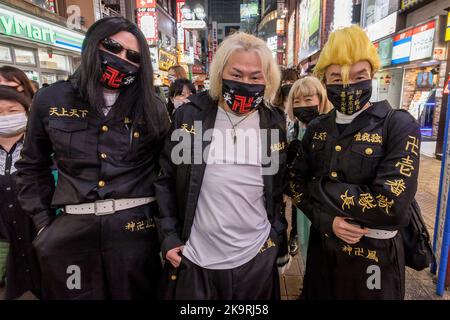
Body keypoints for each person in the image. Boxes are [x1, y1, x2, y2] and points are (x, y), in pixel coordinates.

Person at [15, 17, 170, 300]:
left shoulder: (153, 108)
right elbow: (31, 167)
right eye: (112, 47)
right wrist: (44, 226)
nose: (121, 58)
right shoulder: (51, 100)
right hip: (70, 234)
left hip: (136, 233)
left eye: (133, 56)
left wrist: (166, 231)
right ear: (93, 45)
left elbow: (167, 173)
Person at [287, 25, 420, 300]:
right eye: (337, 77)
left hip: (375, 256)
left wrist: (320, 187)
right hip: (323, 249)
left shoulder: (399, 125)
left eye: (359, 76)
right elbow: (294, 182)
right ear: (325, 80)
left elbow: (391, 205)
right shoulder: (317, 128)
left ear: (372, 75)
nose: (347, 85)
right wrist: (325, 220)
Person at [155, 32, 287, 300]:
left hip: (256, 258)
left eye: (255, 77)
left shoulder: (274, 122)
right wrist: (168, 237)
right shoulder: (190, 116)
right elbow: (166, 179)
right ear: (220, 73)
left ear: (268, 80)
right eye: (236, 74)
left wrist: (276, 239)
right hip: (195, 259)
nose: (245, 83)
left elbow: (276, 189)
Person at [285, 76, 331, 267]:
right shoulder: (293, 130)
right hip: (303, 202)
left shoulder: (331, 128)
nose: (302, 105)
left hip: (325, 204)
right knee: (306, 242)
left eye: (308, 99)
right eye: (297, 101)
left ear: (320, 100)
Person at [0, 86, 40, 299]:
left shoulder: (43, 148)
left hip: (41, 237)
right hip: (4, 248)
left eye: (12, 110)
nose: (5, 117)